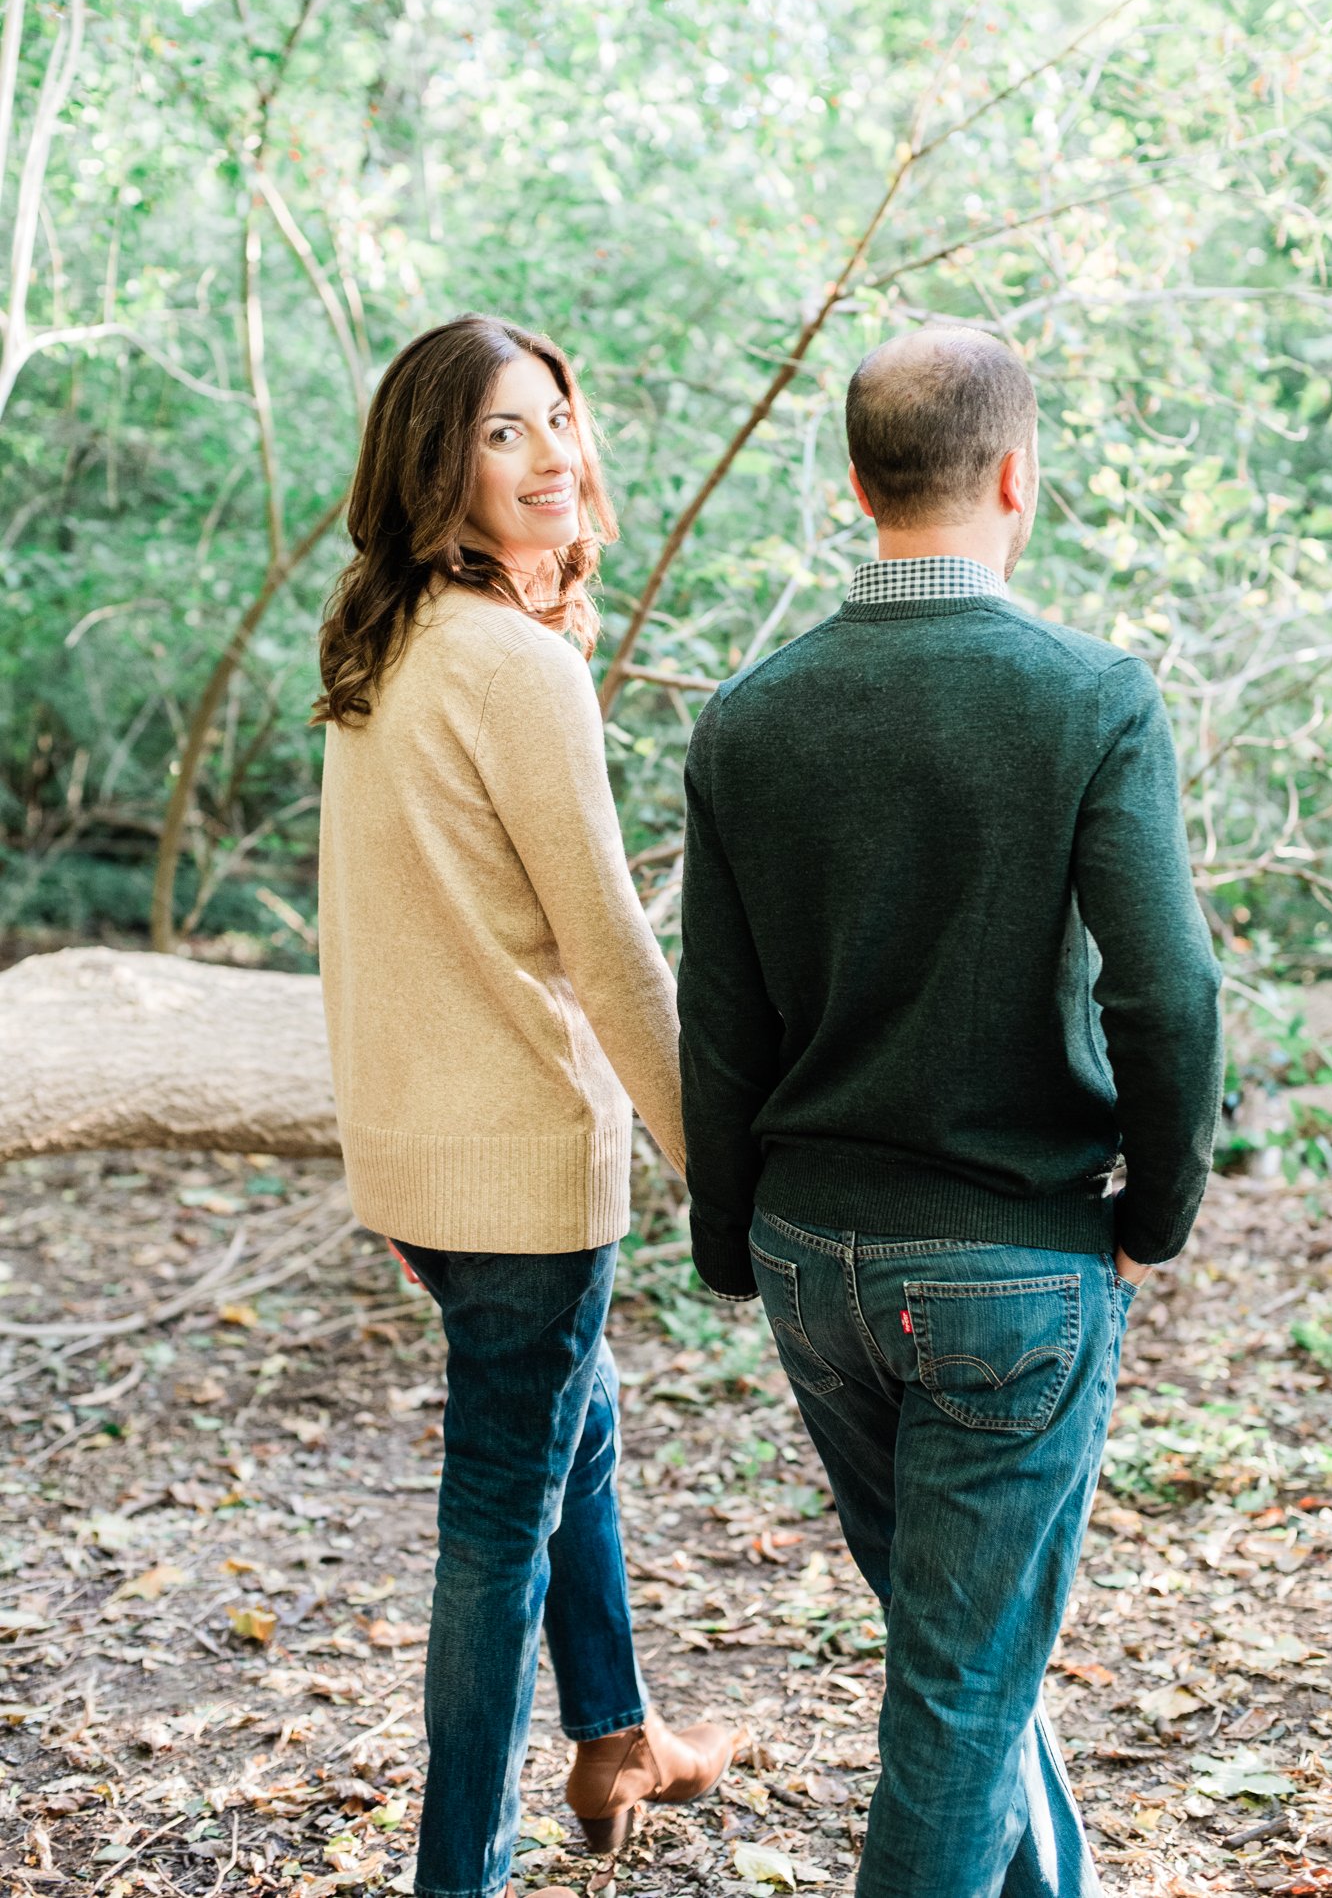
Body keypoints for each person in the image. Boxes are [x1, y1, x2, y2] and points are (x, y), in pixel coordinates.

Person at [677, 326, 1223, 1898]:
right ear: (1015, 476)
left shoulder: (747, 716)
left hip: (808, 1261)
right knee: (959, 1687)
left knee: (959, 1656)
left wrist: (729, 1243)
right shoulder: (1087, 698)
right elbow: (1168, 992)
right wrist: (1151, 1216)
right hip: (1006, 1268)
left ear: (856, 484)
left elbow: (722, 1018)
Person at [315, 314, 732, 1898]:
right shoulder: (515, 663)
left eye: (557, 415)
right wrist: (719, 1170)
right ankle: (458, 1871)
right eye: (503, 431)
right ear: (438, 462)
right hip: (519, 1163)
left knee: (578, 1427)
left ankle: (619, 1735)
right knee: (496, 1522)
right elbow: (612, 953)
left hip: (422, 1156)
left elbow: (375, 925)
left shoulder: (386, 640)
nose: (553, 453)